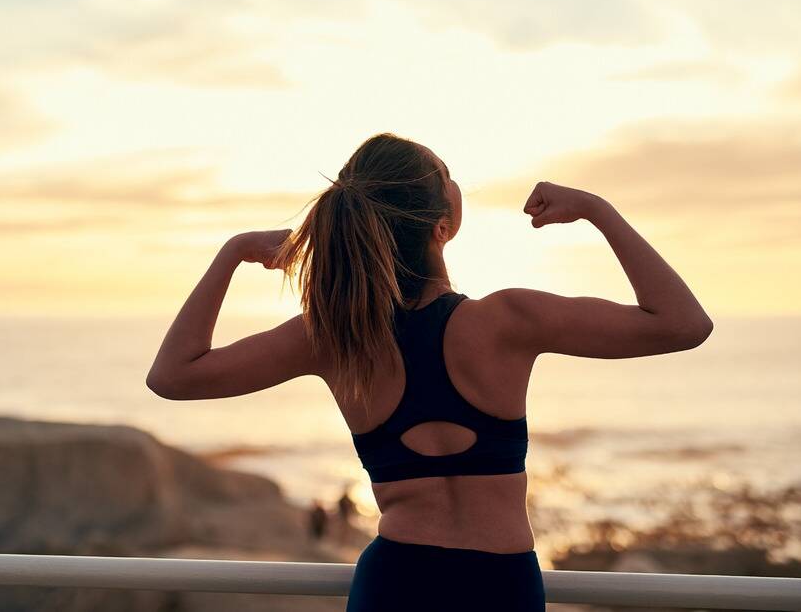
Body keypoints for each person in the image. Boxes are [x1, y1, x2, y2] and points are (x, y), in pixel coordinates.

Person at [146, 132, 713, 611]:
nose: (456, 182)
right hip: (499, 585)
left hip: (395, 582)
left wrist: (233, 252)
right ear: (441, 225)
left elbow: (173, 375)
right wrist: (596, 209)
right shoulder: (509, 319)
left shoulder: (331, 339)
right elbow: (682, 324)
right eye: (448, 175)